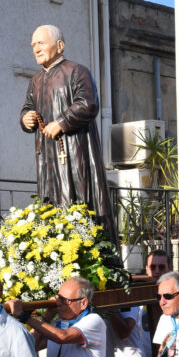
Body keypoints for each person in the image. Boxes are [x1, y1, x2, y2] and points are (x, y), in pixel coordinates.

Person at [19, 24, 115, 241]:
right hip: (47, 155)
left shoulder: (77, 71)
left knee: (78, 196)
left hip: (75, 150)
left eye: (41, 43)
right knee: (50, 202)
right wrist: (26, 118)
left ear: (60, 45)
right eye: (33, 45)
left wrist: (61, 123)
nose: (36, 49)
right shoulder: (35, 81)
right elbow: (27, 107)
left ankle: (83, 244)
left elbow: (88, 103)